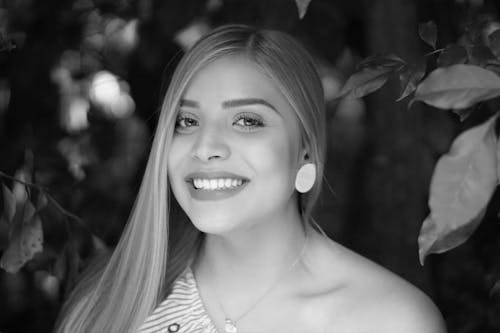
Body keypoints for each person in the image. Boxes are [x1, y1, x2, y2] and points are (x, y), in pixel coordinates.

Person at [55, 24, 446, 333]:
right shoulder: (111, 299)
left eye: (246, 121)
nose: (205, 147)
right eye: (187, 121)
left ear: (305, 150)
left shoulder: (392, 321)